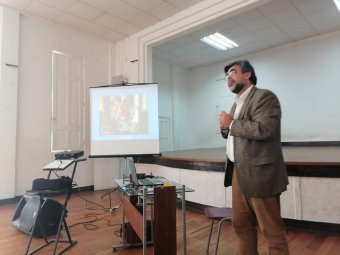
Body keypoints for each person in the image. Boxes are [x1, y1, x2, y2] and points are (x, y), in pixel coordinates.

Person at [219, 60, 289, 255]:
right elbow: (235, 132)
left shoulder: (264, 97)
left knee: (272, 231)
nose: (228, 77)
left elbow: (265, 129)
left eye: (233, 72)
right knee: (241, 227)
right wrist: (225, 128)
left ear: (248, 74)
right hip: (237, 173)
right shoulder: (235, 105)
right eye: (226, 75)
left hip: (260, 174)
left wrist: (231, 124)